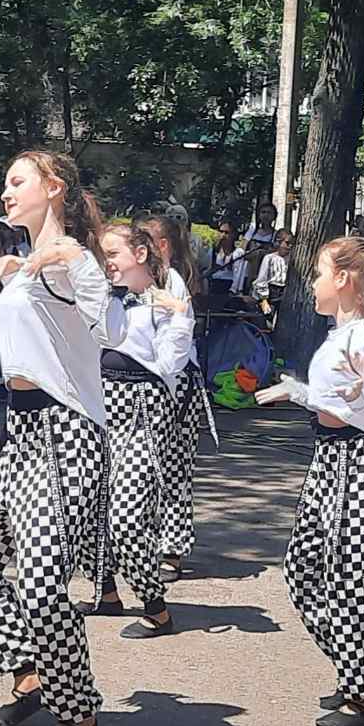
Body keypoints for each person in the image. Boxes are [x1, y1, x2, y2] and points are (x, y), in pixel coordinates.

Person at [0, 149, 126, 726]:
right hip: (20, 434)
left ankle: (78, 716)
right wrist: (30, 266)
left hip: (68, 434)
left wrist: (74, 260)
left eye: (16, 181)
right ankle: (30, 671)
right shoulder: (23, 264)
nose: (4, 193)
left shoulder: (72, 259)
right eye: (3, 183)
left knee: (45, 583)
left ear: (52, 188)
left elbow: (115, 332)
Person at [255, 235, 364, 726]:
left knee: (349, 579)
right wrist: (297, 392)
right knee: (301, 570)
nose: (313, 282)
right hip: (330, 459)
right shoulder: (339, 336)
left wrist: (360, 398)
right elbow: (331, 402)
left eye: (319, 273)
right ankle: (357, 668)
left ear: (343, 280)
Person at [84, 223, 193, 637]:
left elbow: (170, 364)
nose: (106, 262)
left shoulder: (166, 296)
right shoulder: (106, 298)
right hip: (100, 402)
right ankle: (106, 591)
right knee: (87, 505)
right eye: (104, 254)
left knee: (127, 515)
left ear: (141, 255)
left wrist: (180, 318)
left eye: (113, 253)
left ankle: (155, 606)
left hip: (143, 409)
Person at [135, 212, 213, 580]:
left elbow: (173, 342)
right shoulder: (141, 284)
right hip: (148, 384)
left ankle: (173, 547)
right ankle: (146, 540)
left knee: (175, 467)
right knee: (146, 465)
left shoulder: (172, 282)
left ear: (161, 246)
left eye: (144, 241)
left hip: (178, 383)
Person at [207, 219, 249, 296]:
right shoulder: (212, 251)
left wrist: (233, 291)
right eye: (221, 231)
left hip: (228, 286)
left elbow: (238, 274)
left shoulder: (238, 253)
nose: (223, 235)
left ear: (233, 235)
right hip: (214, 286)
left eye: (226, 233)